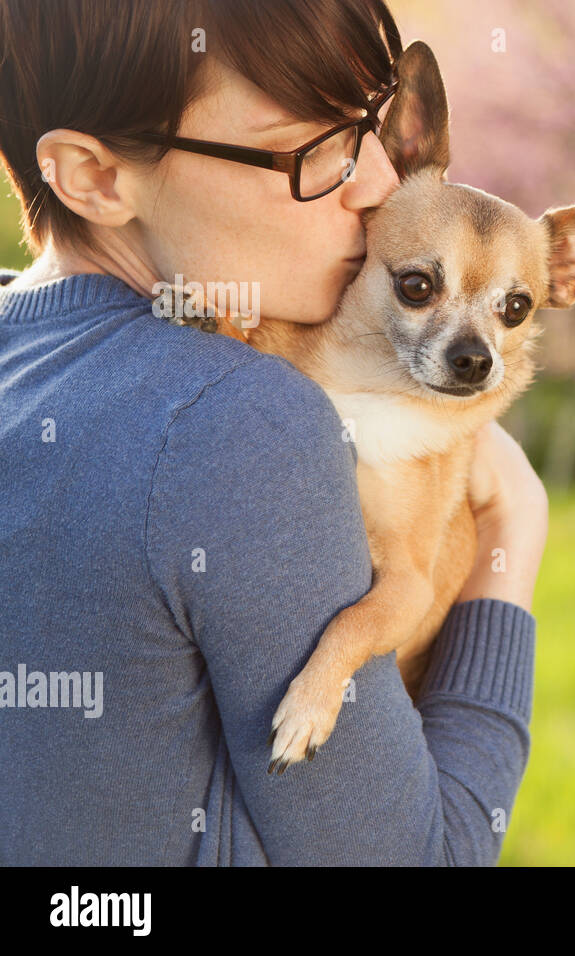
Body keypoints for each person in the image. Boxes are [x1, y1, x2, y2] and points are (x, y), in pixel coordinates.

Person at [0, 0, 547, 865]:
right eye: (310, 150)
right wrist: (513, 538)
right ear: (94, 177)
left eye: (365, 128)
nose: (374, 188)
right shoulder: (237, 422)